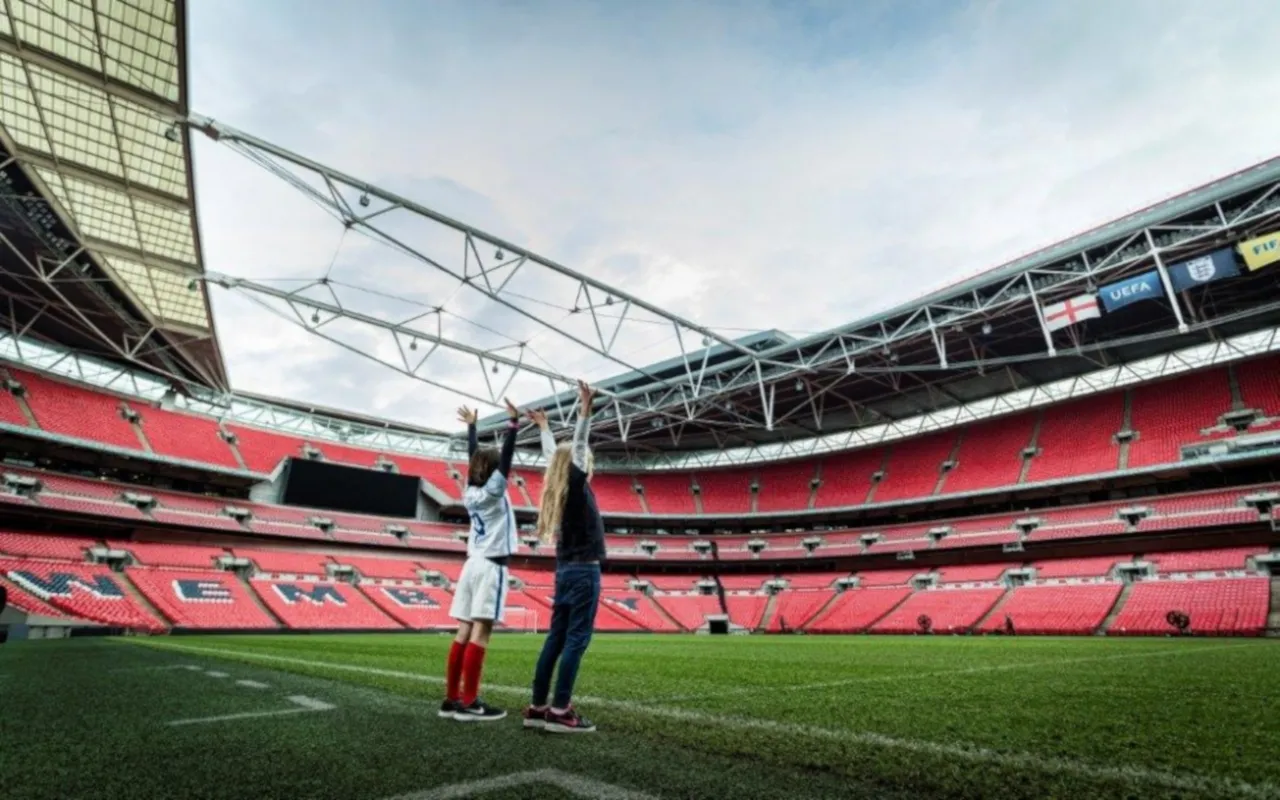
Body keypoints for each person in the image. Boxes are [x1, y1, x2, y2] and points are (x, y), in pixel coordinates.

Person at [522, 380, 605, 734]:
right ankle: (560, 711)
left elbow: (551, 456)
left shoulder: (559, 486)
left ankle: (538, 706)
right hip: (584, 573)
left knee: (555, 638)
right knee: (575, 641)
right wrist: (584, 411)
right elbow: (580, 446)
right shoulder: (575, 483)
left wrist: (544, 428)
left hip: (564, 571)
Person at [441, 398, 521, 723]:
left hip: (471, 564)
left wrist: (473, 428)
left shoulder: (468, 491)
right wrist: (513, 425)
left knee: (463, 629)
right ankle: (471, 702)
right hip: (490, 565)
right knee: (481, 632)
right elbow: (505, 461)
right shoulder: (493, 491)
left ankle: (451, 699)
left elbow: (476, 461)